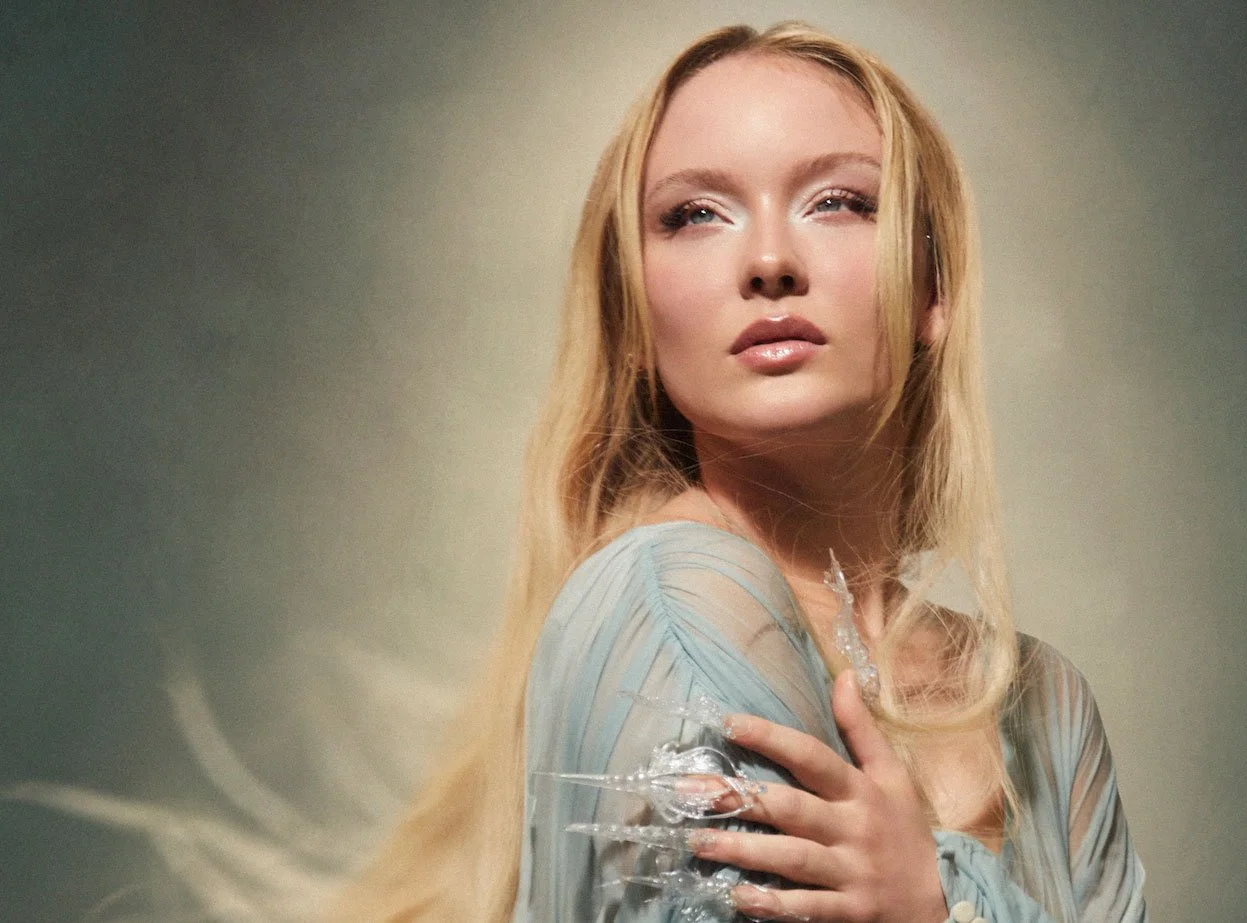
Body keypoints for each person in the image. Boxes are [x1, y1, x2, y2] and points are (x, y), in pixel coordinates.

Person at [333, 21, 1146, 923]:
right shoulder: (671, 604)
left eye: (837, 200)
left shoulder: (1044, 704)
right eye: (694, 215)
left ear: (931, 288)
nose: (768, 263)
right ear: (633, 320)